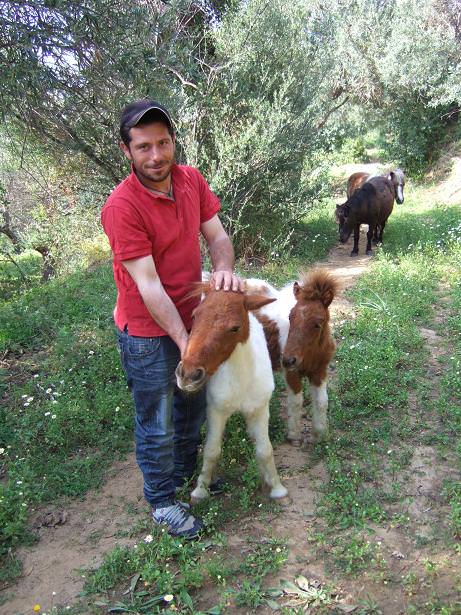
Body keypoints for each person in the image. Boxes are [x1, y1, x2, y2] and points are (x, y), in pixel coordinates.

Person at [101, 99, 243, 539]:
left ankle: (185, 475)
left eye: (163, 143)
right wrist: (186, 343)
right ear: (128, 152)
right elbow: (149, 287)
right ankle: (163, 502)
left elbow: (218, 235)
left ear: (173, 141)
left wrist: (222, 269)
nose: (156, 155)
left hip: (191, 318)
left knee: (191, 405)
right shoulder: (122, 207)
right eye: (144, 147)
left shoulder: (190, 180)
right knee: (158, 419)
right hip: (146, 331)